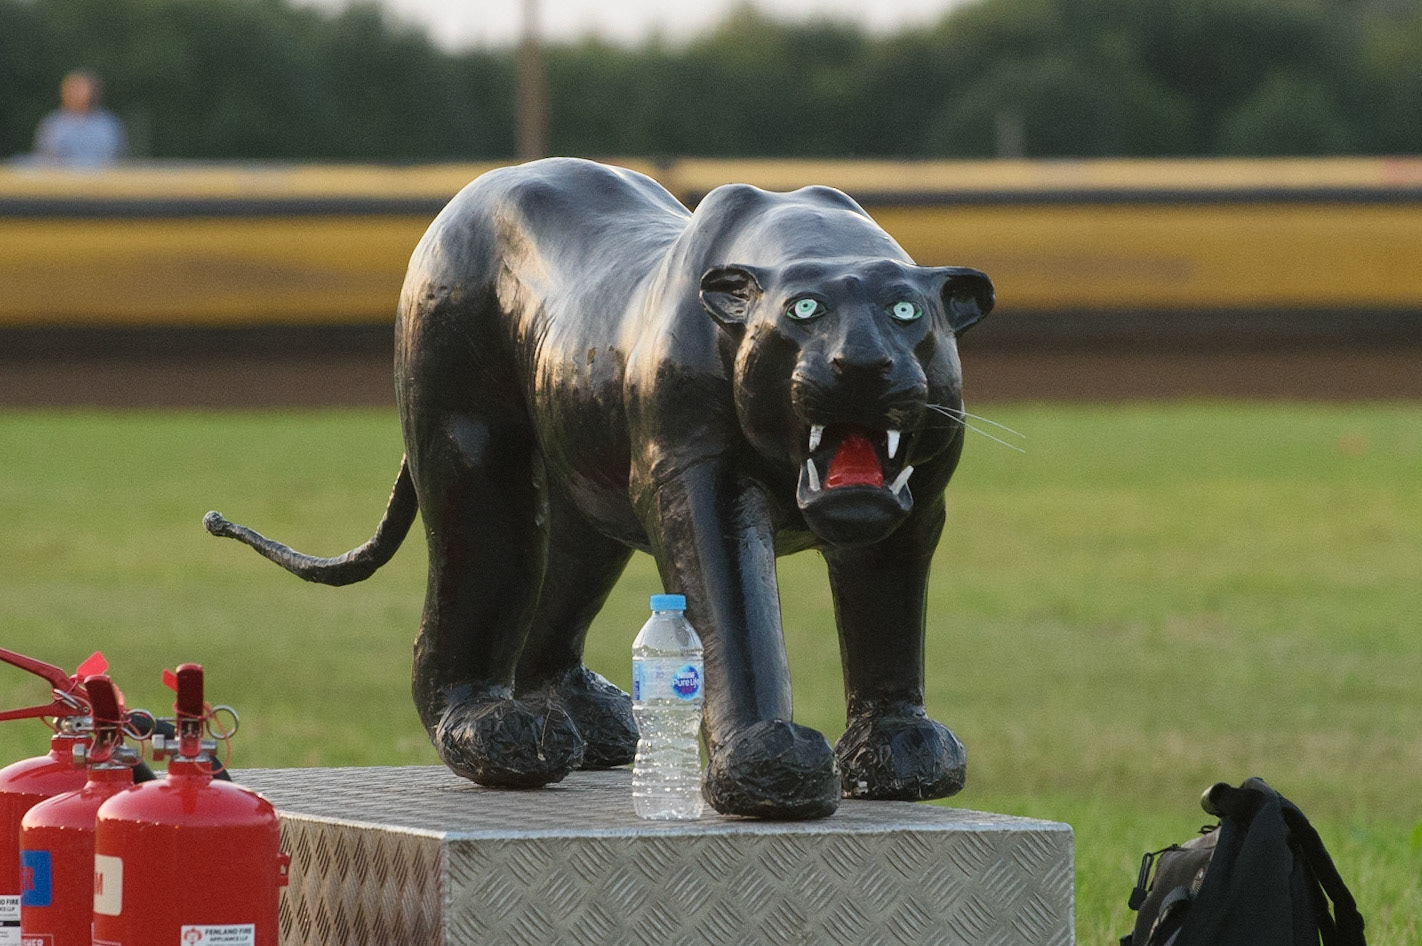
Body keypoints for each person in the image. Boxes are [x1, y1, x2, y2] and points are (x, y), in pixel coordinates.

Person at [33, 70, 126, 167]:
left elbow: (119, 158)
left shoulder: (109, 124)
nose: (81, 94)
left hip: (101, 180)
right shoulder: (53, 124)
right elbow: (44, 158)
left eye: (84, 89)